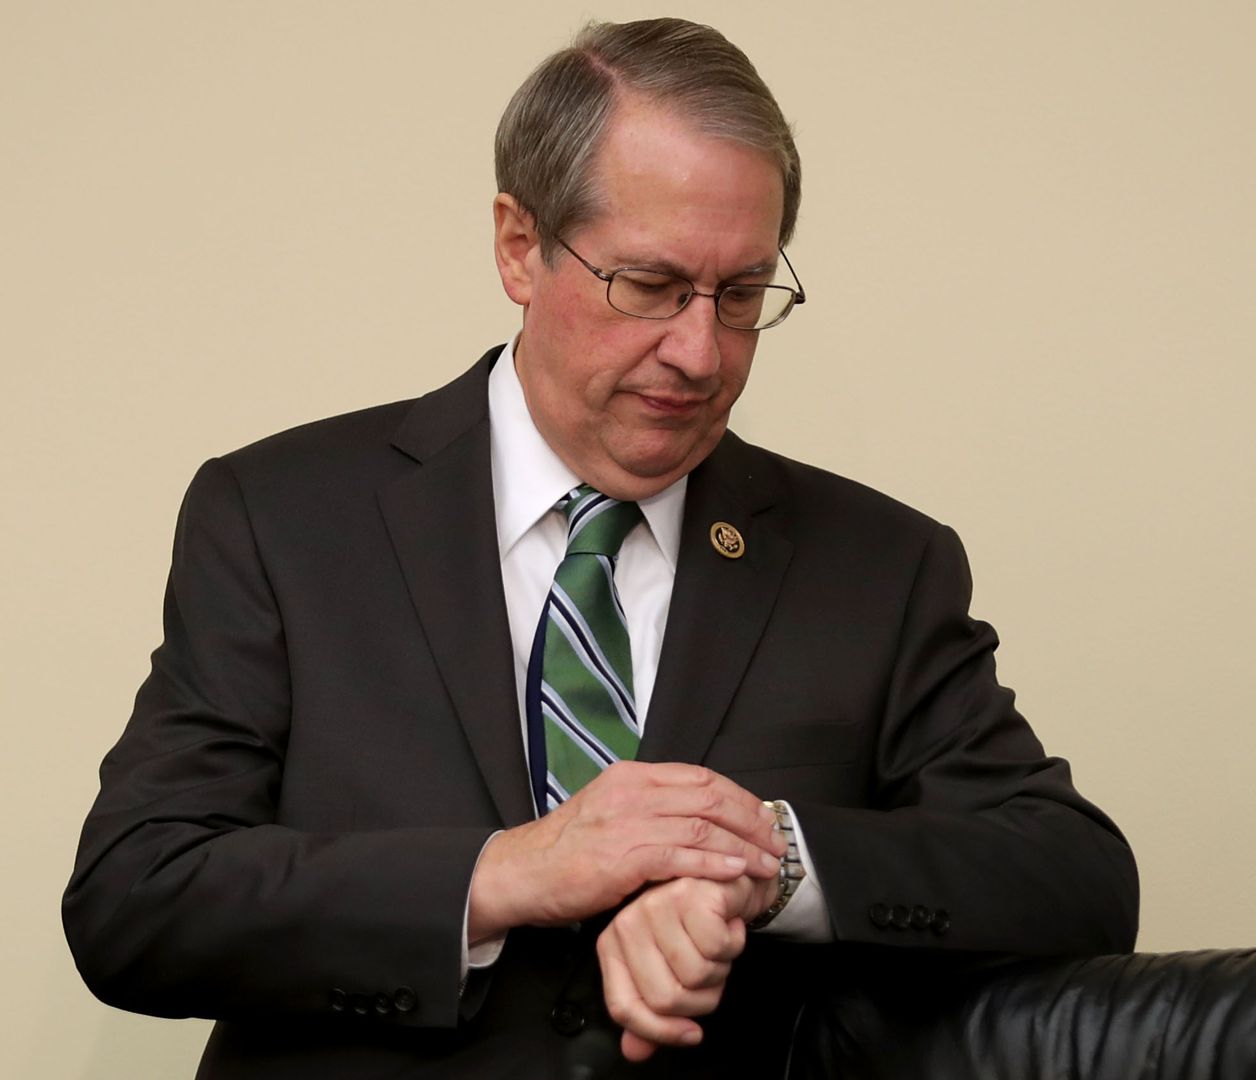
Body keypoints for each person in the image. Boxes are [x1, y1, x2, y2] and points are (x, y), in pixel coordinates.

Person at [62, 18, 1138, 1078]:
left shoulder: (878, 565)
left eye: (743, 294)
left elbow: (1075, 876)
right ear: (519, 247)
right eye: (653, 286)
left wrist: (763, 861)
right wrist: (505, 874)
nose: (700, 350)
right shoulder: (281, 516)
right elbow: (136, 895)